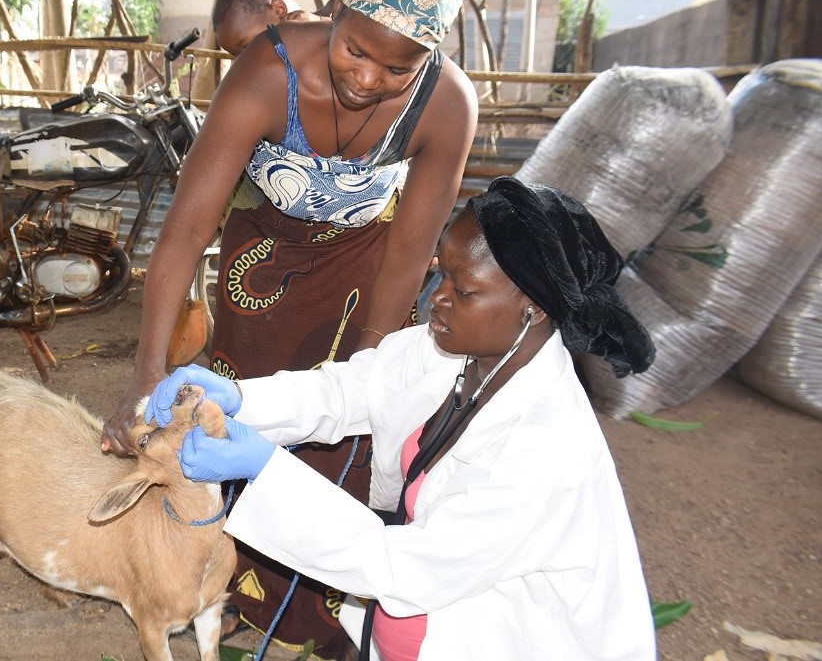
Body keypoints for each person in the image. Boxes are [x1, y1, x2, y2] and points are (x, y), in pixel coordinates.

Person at [103, 0, 477, 657]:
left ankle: (321, 609)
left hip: (366, 269)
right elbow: (187, 228)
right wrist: (146, 369)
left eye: (397, 69)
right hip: (264, 262)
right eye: (355, 51)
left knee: (341, 441)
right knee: (241, 407)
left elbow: (407, 254)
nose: (367, 80)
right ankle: (233, 584)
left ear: (429, 58)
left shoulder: (446, 104)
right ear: (334, 13)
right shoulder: (264, 71)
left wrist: (367, 366)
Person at [150, 176, 659, 661]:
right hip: (434, 605)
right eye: (441, 272)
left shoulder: (545, 449)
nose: (437, 296)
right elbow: (352, 388)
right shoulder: (462, 348)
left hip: (514, 635)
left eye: (464, 290)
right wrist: (240, 399)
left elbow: (405, 565)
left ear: (533, 309)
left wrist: (266, 469)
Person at [212, 0, 323, 57]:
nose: (242, 64)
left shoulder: (329, 46)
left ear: (279, 10)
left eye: (248, 48)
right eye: (236, 56)